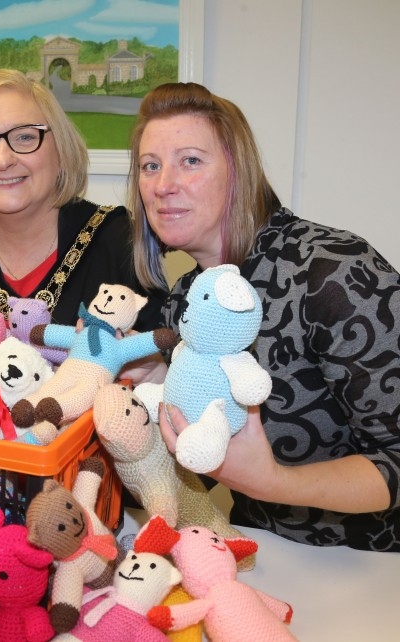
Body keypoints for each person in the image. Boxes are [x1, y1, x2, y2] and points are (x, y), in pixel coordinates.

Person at [128, 81, 400, 552]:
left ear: (239, 172)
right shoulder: (188, 299)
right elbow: (204, 462)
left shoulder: (334, 273)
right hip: (262, 554)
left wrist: (271, 482)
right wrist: (151, 389)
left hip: (374, 569)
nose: (163, 184)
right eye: (150, 166)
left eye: (190, 160)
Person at [0, 69, 164, 330]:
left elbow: (163, 356)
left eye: (25, 137)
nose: (2, 160)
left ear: (60, 149)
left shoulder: (120, 239)